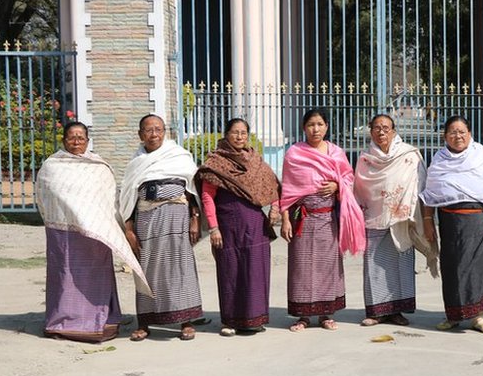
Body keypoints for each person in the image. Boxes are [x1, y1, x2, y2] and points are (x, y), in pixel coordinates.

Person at [36, 122, 151, 342]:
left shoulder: (99, 166)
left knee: (95, 275)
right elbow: (45, 196)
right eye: (72, 137)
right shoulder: (52, 166)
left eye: (81, 137)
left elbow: (108, 199)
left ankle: (101, 318)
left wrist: (99, 221)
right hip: (64, 233)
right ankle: (62, 320)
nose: (77, 141)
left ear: (88, 141)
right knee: (65, 275)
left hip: (95, 234)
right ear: (63, 140)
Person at [279, 109, 366, 332]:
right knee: (301, 265)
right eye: (310, 124)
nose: (315, 129)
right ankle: (302, 315)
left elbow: (349, 178)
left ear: (327, 126)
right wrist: (286, 220)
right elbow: (287, 189)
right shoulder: (294, 154)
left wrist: (337, 185)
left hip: (329, 217)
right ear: (303, 128)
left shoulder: (336, 153)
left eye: (319, 124)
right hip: (302, 215)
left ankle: (326, 314)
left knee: (328, 265)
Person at [120, 114, 204, 341]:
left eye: (158, 129)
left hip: (177, 215)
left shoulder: (178, 156)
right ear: (140, 135)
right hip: (146, 219)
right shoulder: (136, 163)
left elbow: (192, 189)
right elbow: (127, 198)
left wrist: (195, 218)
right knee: (147, 268)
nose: (154, 134)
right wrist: (129, 230)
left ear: (165, 132)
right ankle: (145, 323)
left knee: (180, 265)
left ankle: (186, 321)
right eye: (148, 130)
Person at [420, 116, 483, 335]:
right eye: (452, 132)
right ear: (445, 136)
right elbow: (429, 194)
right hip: (450, 223)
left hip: (478, 221)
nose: (457, 136)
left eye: (462, 132)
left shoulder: (481, 155)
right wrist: (428, 221)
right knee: (452, 268)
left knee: (479, 267)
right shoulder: (439, 160)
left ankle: (479, 316)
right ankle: (454, 315)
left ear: (470, 133)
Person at [195, 118, 280, 337]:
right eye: (235, 132)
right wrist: (213, 228)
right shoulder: (216, 162)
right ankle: (230, 320)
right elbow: (207, 196)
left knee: (255, 270)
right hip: (228, 225)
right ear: (226, 134)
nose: (239, 137)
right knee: (230, 270)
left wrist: (275, 208)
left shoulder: (255, 161)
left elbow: (273, 185)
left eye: (243, 133)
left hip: (254, 224)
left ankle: (255, 318)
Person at [353, 114, 439, 327]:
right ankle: (376, 311)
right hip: (373, 217)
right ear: (370, 130)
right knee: (374, 266)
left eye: (386, 128)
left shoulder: (409, 155)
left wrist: (421, 216)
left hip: (402, 218)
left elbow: (421, 184)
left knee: (401, 265)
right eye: (376, 128)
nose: (381, 132)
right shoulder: (365, 158)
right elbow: (358, 189)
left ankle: (397, 311)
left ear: (393, 130)